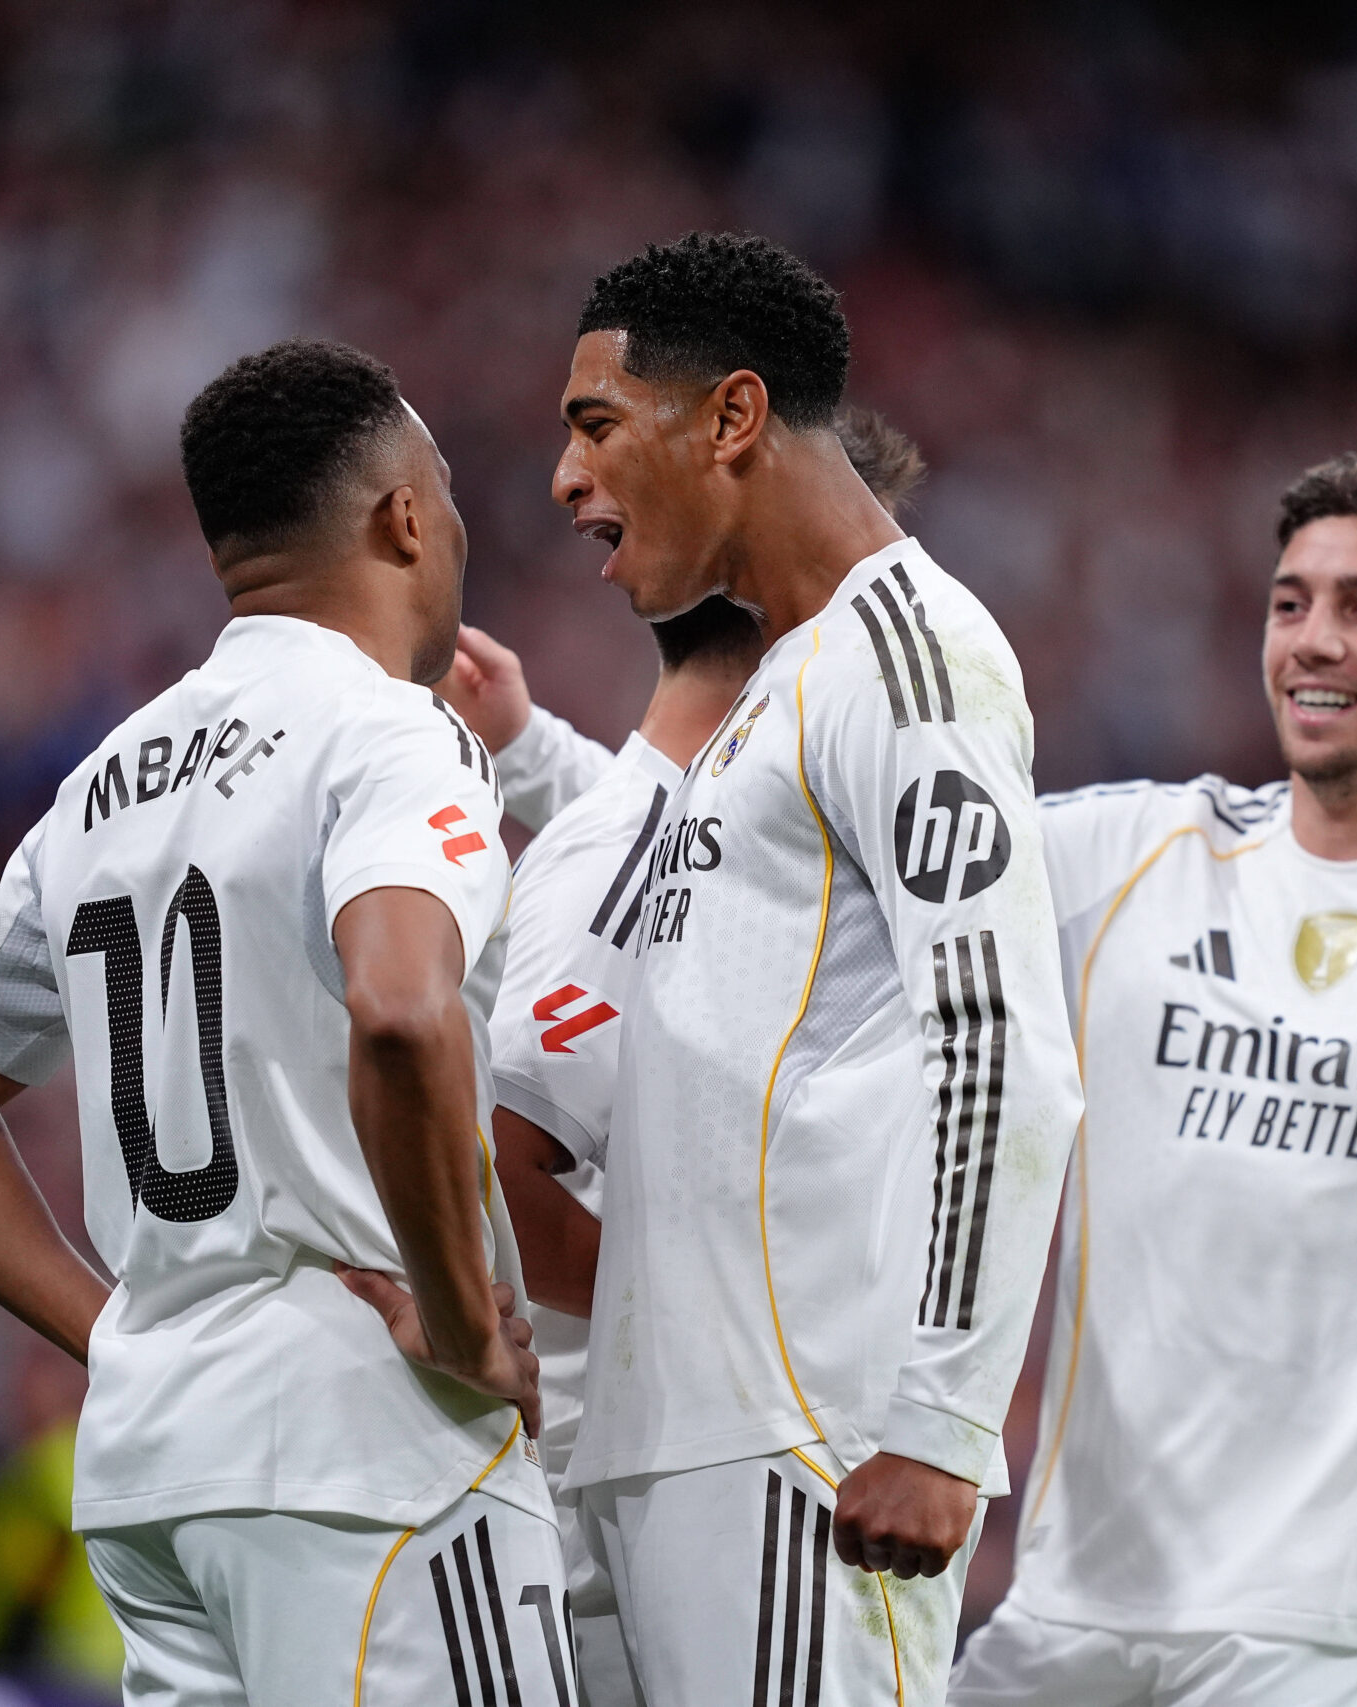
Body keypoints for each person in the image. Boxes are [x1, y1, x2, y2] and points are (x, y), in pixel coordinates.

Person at [470, 452, 1357, 1706]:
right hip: (1068, 1627)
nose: (1311, 642)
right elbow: (796, 881)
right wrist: (550, 767)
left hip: (1334, 1640)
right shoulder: (1127, 861)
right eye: (1289, 604)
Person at [0, 339, 571, 1706]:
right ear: (405, 515)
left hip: (157, 1471)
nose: (460, 526)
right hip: (370, 1455)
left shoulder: (105, 783)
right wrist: (469, 1327)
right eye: (450, 494)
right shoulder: (392, 736)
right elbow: (405, 1010)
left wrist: (121, 1327)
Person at [501, 232, 1080, 1707]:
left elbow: (998, 1036)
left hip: (800, 1435)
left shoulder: (910, 653)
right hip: (669, 1430)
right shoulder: (781, 690)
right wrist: (521, 754)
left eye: (595, 426)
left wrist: (948, 1420)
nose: (567, 481)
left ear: (734, 418)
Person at [455, 405, 928, 1707]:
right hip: (699, 1478)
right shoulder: (630, 854)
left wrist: (531, 751)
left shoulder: (684, 828)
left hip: (679, 1472)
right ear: (802, 604)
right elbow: (498, 1160)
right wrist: (723, 1318)